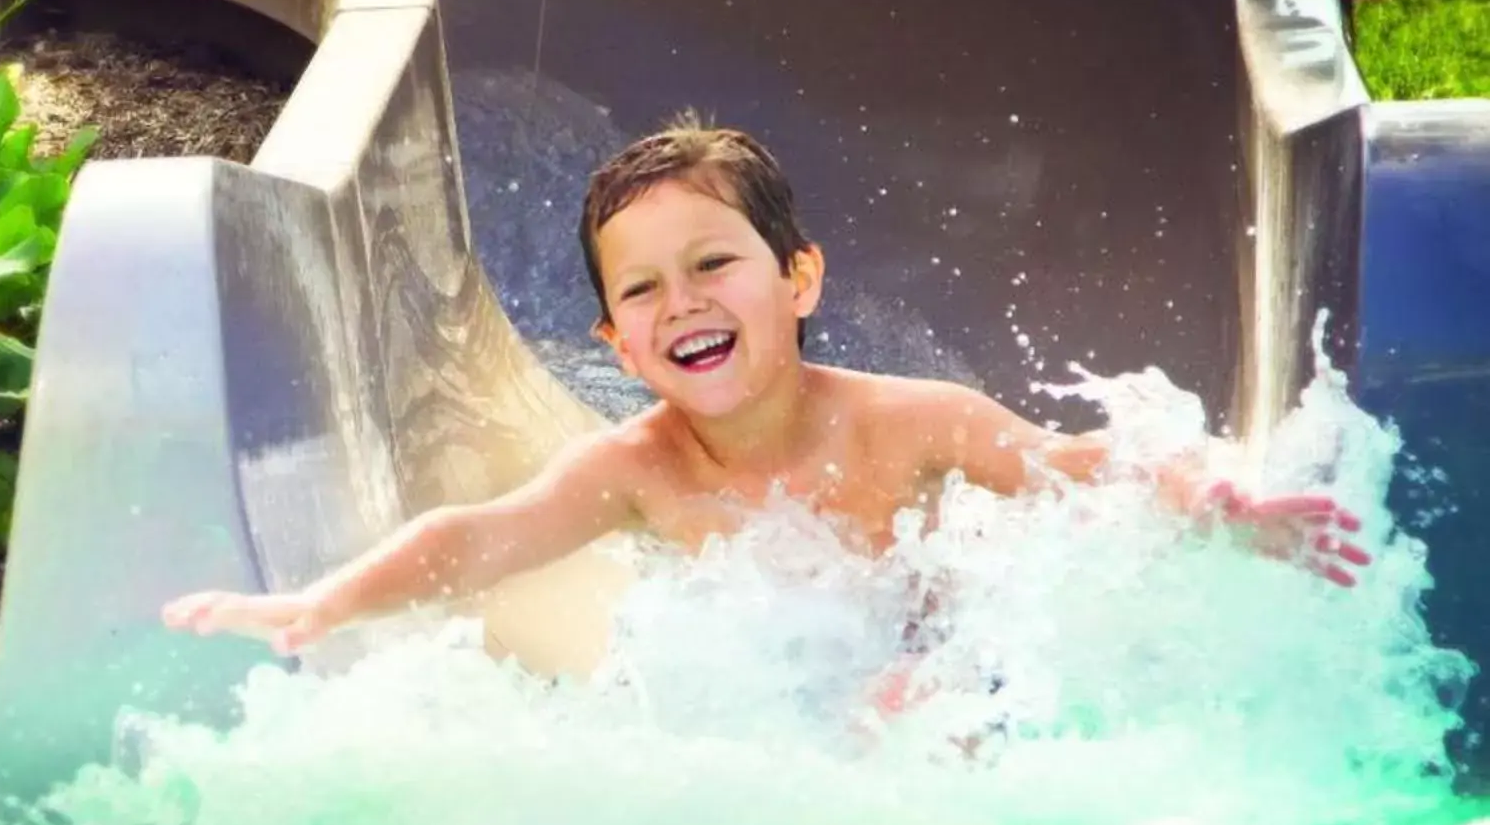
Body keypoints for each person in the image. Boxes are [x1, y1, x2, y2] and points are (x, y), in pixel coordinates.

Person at [163, 118, 1370, 662]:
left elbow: (1076, 470)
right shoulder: (638, 471)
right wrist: (325, 601)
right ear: (617, 343)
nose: (680, 302)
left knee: (909, 693)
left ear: (797, 279)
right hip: (790, 695)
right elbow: (479, 537)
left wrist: (1220, 506)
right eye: (642, 292)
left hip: (954, 663)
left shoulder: (913, 420)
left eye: (712, 265)